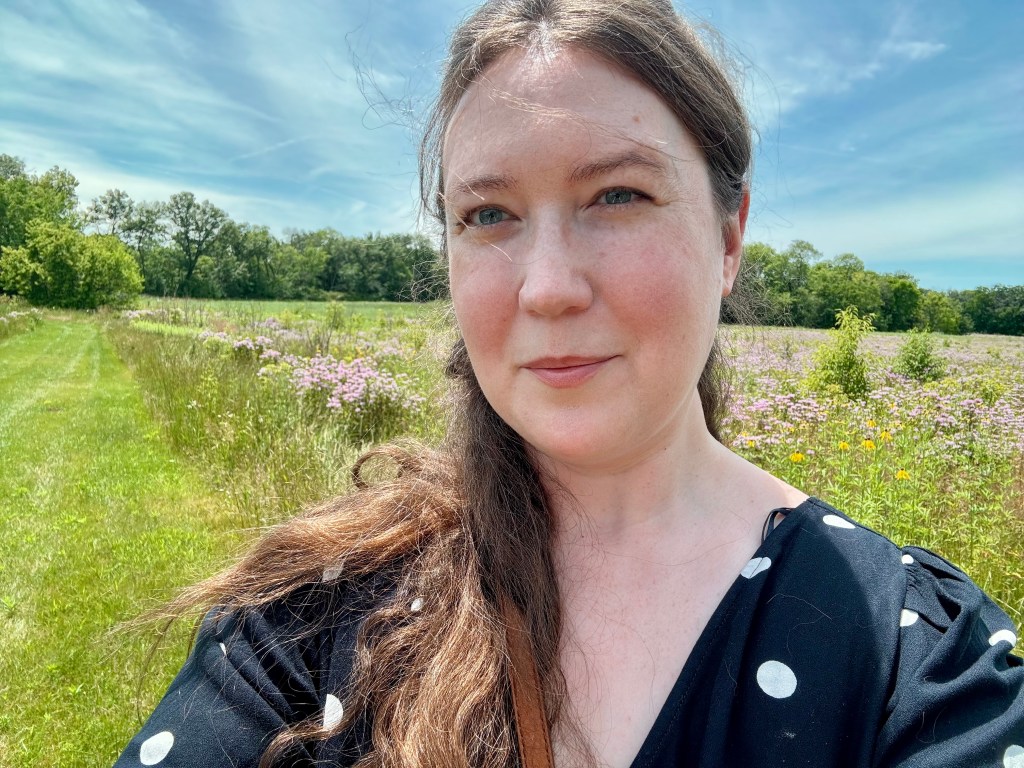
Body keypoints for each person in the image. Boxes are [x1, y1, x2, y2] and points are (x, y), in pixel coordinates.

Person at [114, 0, 1024, 766]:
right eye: (489, 214)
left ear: (730, 237)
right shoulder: (321, 609)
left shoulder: (926, 662)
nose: (546, 286)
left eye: (617, 195)